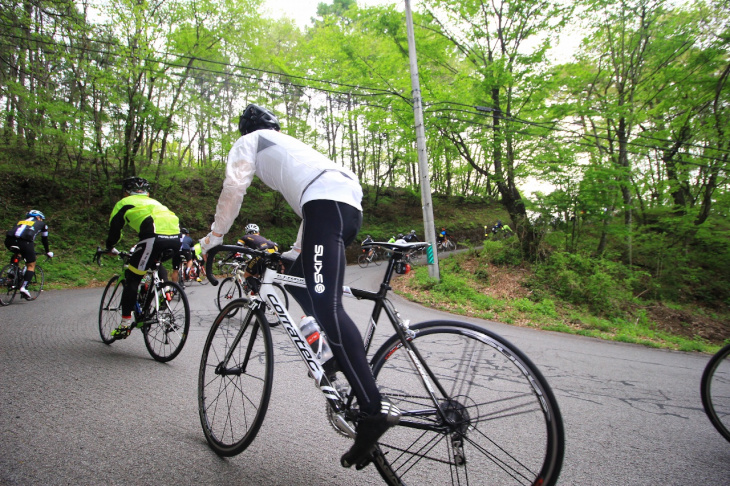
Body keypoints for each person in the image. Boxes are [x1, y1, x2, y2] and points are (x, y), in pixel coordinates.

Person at [199, 104, 399, 469]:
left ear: (246, 129)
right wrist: (294, 252)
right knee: (300, 280)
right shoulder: (293, 148)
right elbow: (317, 200)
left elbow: (234, 186)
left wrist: (215, 236)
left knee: (328, 306)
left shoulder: (250, 141)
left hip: (327, 204)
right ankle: (335, 353)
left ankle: (373, 409)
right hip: (345, 203)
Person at [105, 177, 182, 339]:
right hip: (176, 237)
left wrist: (110, 247)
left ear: (126, 192)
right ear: (147, 193)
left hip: (154, 237)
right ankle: (163, 290)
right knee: (154, 262)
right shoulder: (155, 203)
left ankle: (125, 326)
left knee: (132, 278)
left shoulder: (124, 203)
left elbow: (115, 229)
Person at [4, 210, 53, 300]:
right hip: (25, 243)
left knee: (17, 253)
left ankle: (12, 270)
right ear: (38, 217)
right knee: (31, 264)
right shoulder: (42, 224)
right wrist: (47, 251)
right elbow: (44, 239)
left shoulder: (20, 221)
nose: (41, 220)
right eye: (41, 219)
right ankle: (24, 287)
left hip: (8, 241)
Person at [236, 223, 278, 291]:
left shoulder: (245, 238)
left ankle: (255, 293)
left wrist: (236, 258)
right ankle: (258, 290)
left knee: (247, 275)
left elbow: (236, 250)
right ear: (258, 232)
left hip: (261, 256)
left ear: (247, 232)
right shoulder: (263, 239)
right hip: (273, 256)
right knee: (256, 276)